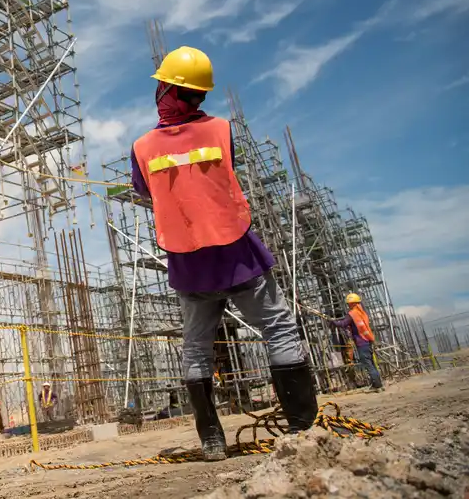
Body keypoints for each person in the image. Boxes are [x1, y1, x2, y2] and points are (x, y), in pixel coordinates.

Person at [130, 46, 318, 462]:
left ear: (164, 88)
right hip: (237, 252)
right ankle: (303, 428)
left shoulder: (142, 148)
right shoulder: (221, 130)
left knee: (196, 347)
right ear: (199, 95)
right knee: (278, 329)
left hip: (188, 260)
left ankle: (212, 440)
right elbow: (221, 172)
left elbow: (144, 190)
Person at [331, 293, 383, 392]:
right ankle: (379, 384)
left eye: (349, 304)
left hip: (361, 343)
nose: (348, 306)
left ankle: (377, 386)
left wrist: (334, 322)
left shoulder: (352, 314)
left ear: (352, 304)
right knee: (371, 364)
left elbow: (343, 323)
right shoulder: (362, 313)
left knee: (368, 365)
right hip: (368, 341)